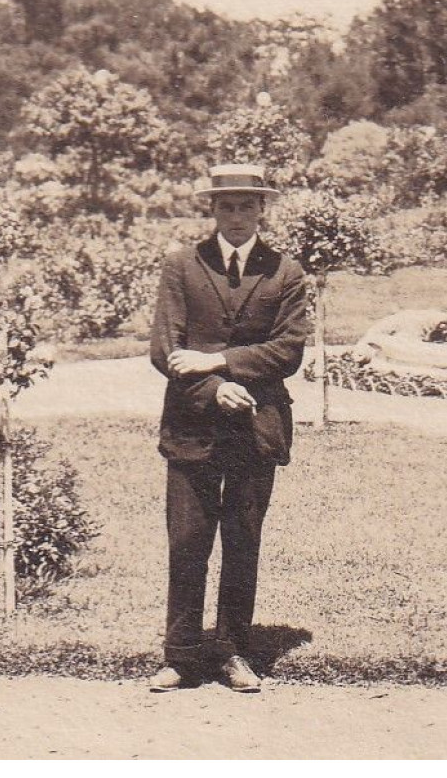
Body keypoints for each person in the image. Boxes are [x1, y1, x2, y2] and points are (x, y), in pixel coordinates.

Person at [147, 163, 310, 693]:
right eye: (226, 206)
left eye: (246, 206)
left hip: (255, 428)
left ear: (263, 209)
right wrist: (214, 391)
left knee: (242, 539)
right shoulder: (182, 265)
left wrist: (220, 365)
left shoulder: (286, 272)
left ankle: (235, 651)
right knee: (188, 540)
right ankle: (181, 655)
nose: (236, 216)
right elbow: (166, 351)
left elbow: (287, 351)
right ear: (212, 210)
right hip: (192, 426)